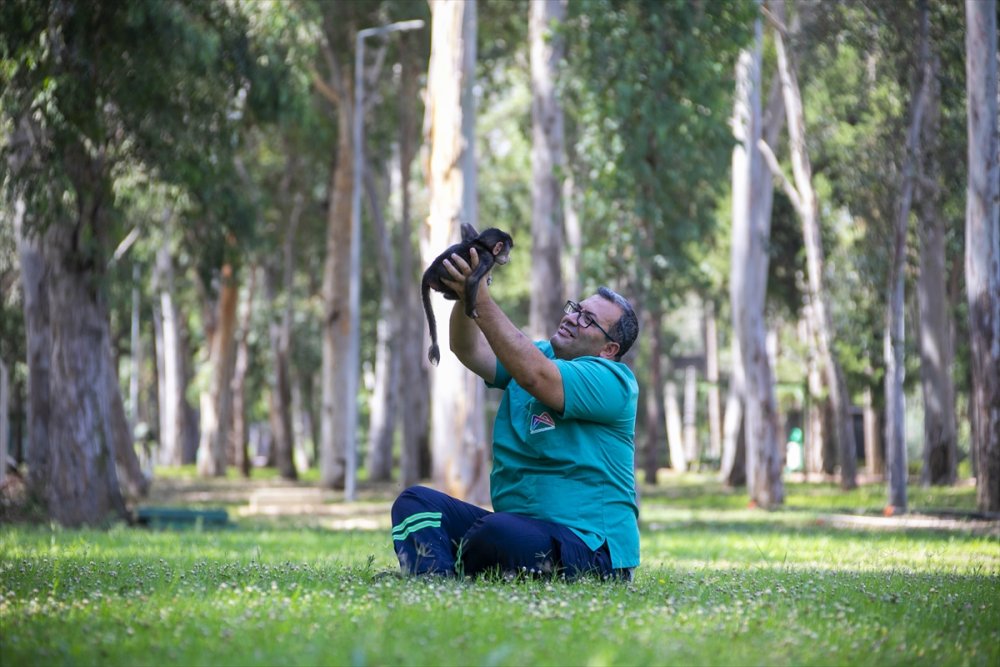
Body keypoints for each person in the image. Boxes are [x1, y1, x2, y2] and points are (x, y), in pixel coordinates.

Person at [390, 246, 640, 581]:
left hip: (592, 549)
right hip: (518, 531)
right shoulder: (539, 355)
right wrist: (467, 297)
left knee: (498, 533)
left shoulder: (613, 382)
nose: (571, 318)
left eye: (588, 320)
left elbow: (536, 377)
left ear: (609, 349)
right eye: (575, 309)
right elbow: (468, 349)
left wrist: (480, 295)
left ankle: (457, 564)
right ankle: (435, 579)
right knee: (415, 503)